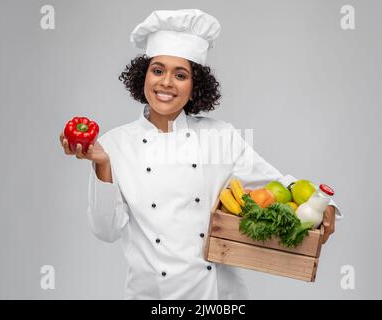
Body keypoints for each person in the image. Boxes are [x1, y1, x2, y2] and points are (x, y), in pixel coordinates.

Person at [59, 9, 342, 299]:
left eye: (180, 75)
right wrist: (103, 166)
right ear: (142, 77)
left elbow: (278, 186)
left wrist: (325, 206)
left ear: (195, 88)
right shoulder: (114, 144)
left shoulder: (219, 136)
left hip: (217, 298)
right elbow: (105, 231)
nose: (166, 82)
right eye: (157, 70)